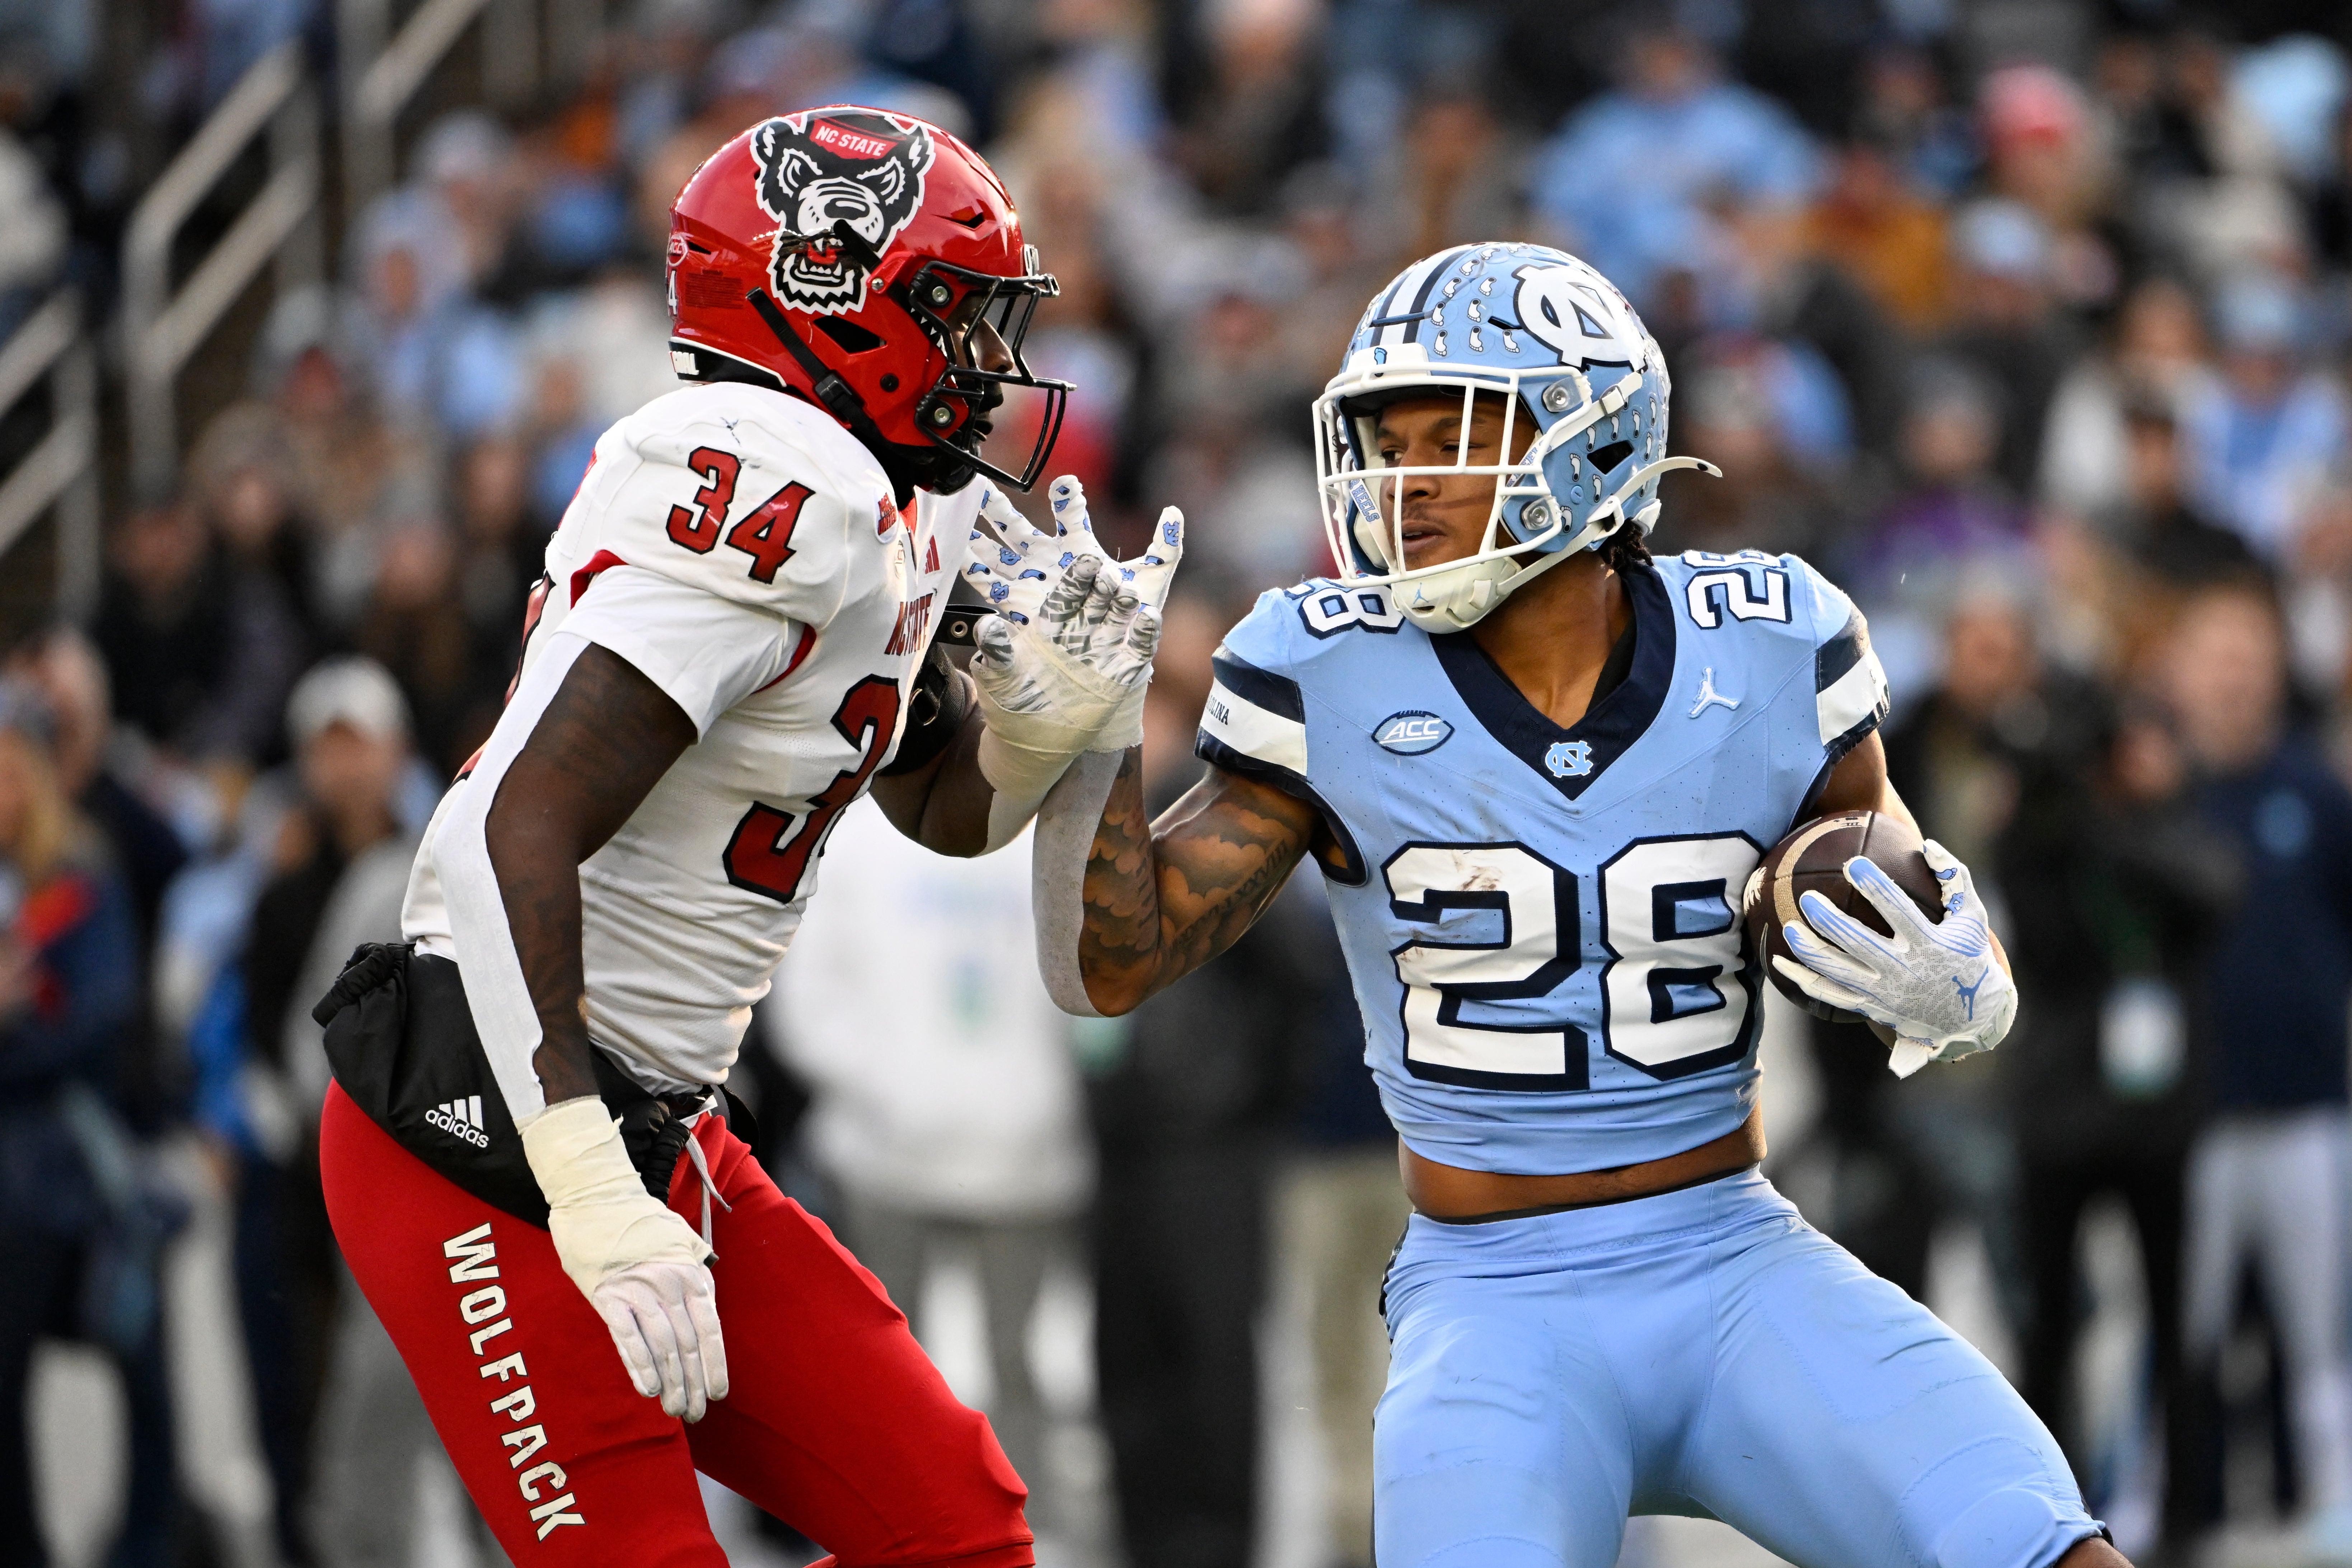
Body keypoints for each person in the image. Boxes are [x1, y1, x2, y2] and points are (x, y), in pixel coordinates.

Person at [1009, 242, 2129, 1568]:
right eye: (1385, 439)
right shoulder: (1328, 670)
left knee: (2046, 1546)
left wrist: (1962, 970)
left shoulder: (1766, 643)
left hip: (1733, 1259)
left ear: (1591, 445)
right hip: (1495, 1294)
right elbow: (1109, 963)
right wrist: (1084, 744)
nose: (1401, 480)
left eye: (1450, 436)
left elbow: (1878, 861)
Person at [314, 104, 1180, 1565]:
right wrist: (585, 1176)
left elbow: (930, 799)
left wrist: (1045, 729)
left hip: (662, 1116)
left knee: (954, 1527)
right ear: (842, 310)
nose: (989, 360)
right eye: (956, 316)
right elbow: (501, 828)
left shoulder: (900, 507)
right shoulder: (778, 477)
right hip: (486, 1117)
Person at [2163, 581, 2352, 1555]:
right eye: (2216, 653)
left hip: (2304, 1105)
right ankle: (2155, 1503)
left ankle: (2335, 1501)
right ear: (2180, 670)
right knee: (2177, 1325)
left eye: (2250, 653)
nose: (2233, 674)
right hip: (2189, 1116)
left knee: (2321, 1327)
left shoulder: (2316, 793)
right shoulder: (2160, 793)